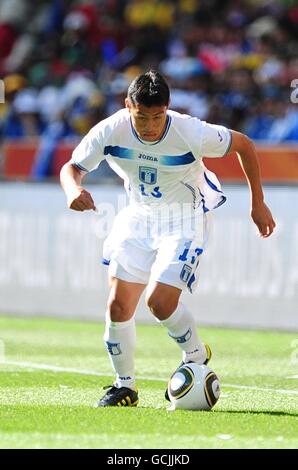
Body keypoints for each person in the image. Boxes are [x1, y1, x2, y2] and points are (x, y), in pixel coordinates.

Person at [60, 70, 276, 407]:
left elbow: (244, 145)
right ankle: (125, 387)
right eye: (142, 117)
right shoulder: (110, 129)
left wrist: (258, 202)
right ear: (127, 105)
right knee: (118, 305)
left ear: (168, 108)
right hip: (138, 216)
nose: (150, 125)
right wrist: (73, 189)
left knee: (159, 301)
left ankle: (194, 355)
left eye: (158, 116)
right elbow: (71, 168)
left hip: (184, 221)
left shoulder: (190, 130)